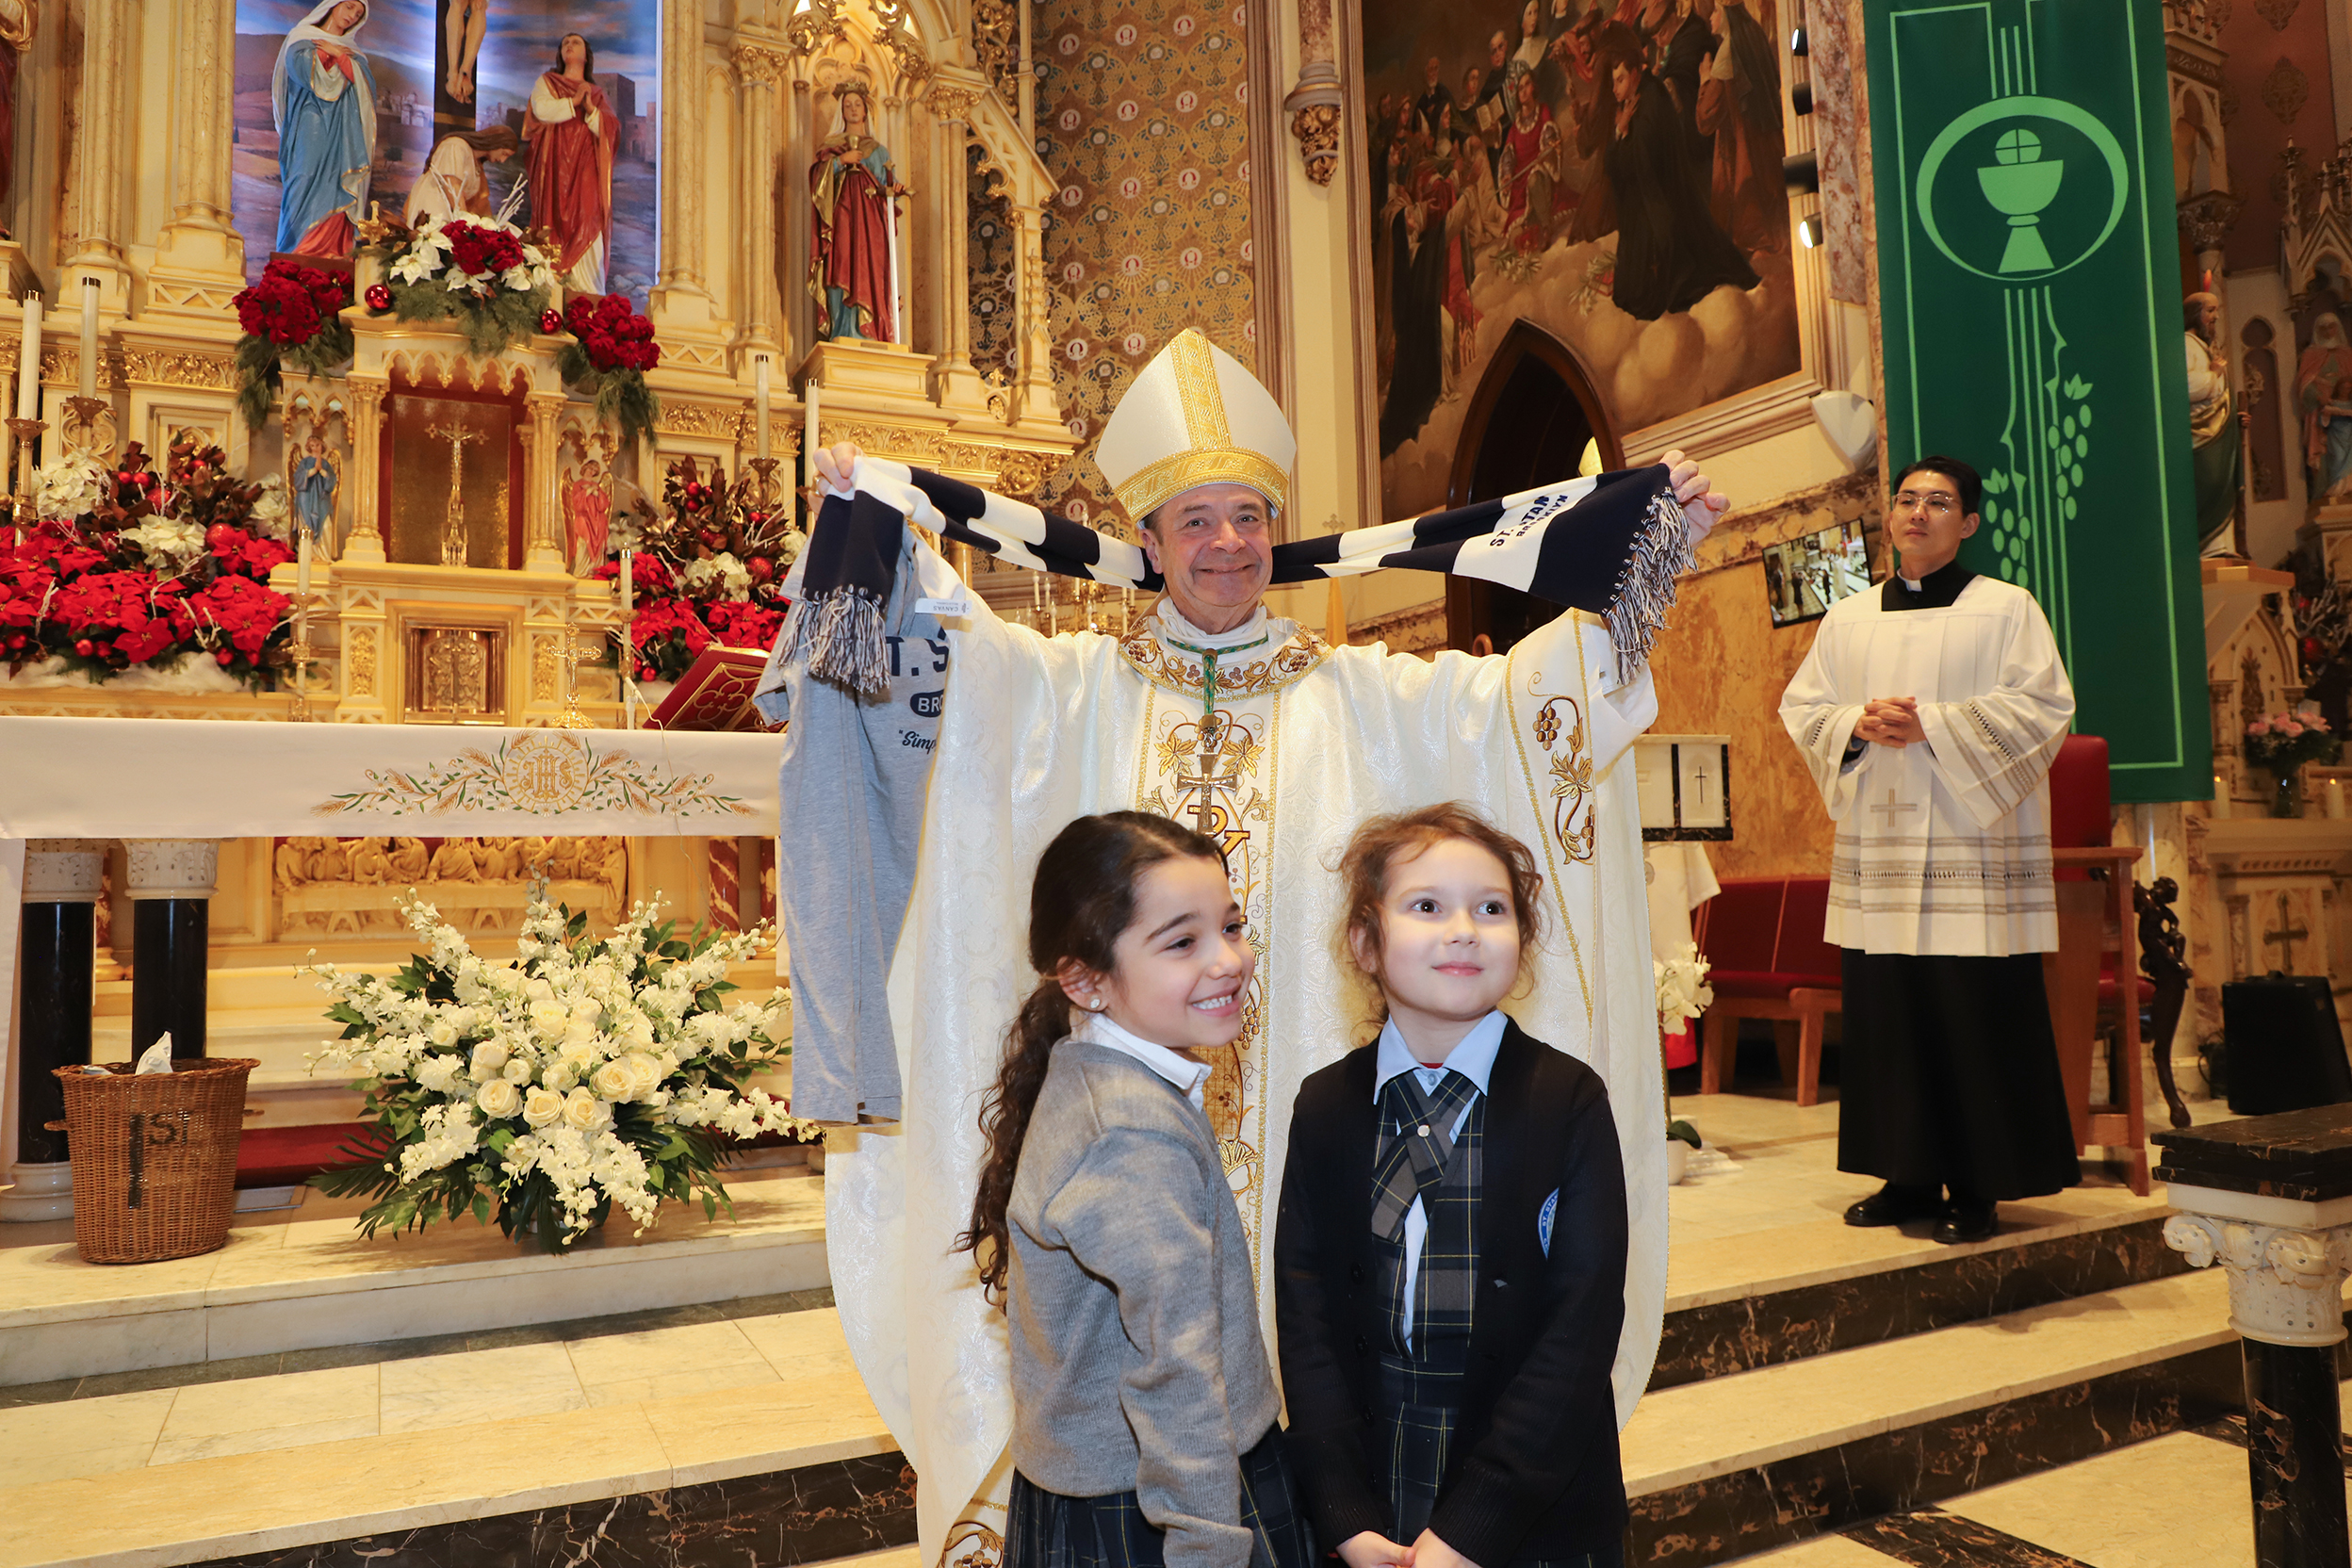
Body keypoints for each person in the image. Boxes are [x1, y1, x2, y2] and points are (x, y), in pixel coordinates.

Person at [753, 326, 1724, 1566]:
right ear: (1148, 539)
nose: (1227, 543)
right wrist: (876, 531)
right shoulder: (1070, 689)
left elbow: (1520, 711)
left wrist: (1649, 547)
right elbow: (954, 671)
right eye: (1196, 520)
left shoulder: (1364, 693)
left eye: (1250, 516)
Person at [1277, 805, 1629, 1568]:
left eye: (1492, 909)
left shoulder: (1566, 1101)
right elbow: (1304, 1317)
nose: (1464, 930)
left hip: (1529, 1506)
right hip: (1374, 1497)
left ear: (1523, 939)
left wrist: (1471, 1531)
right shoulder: (1327, 1106)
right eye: (1428, 906)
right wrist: (1341, 1512)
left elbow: (1580, 1331)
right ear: (1365, 942)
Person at [966, 811, 1316, 1568]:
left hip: (1121, 1486)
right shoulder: (1130, 1133)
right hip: (1161, 1505)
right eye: (1182, 942)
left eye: (1231, 926)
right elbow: (1177, 1363)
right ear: (1085, 980)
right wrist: (1208, 1546)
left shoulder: (1096, 1075)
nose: (1228, 960)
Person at [1778, 455, 2080, 1245]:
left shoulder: (2006, 609)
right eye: (1907, 499)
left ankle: (1979, 1187)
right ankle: (1904, 1176)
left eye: (1939, 502)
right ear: (1890, 516)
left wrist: (1933, 724)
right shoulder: (1848, 618)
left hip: (1969, 849)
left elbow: (2045, 706)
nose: (1918, 512)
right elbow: (1804, 706)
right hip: (1880, 847)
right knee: (1890, 1016)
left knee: (1972, 1015)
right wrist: (1852, 725)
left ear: (1969, 523)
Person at [1596, 30, 1756, 320]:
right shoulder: (1632, 105)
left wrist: (1623, 136)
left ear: (1635, 74)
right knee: (1628, 292)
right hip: (1645, 206)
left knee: (1646, 292)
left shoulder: (1651, 100)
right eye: (1613, 82)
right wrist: (1620, 132)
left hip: (1662, 206)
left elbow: (1637, 164)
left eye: (1620, 80)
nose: (1615, 89)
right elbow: (1616, 166)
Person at [271, 0, 376, 258]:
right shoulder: (302, 37)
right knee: (304, 176)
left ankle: (333, 252)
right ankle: (296, 250)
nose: (352, 16)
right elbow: (297, 69)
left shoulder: (352, 53)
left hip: (344, 133)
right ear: (333, 4)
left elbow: (367, 90)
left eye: (358, 14)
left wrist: (339, 55)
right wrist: (324, 54)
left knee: (339, 182)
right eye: (349, 7)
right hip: (310, 122)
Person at [525, 33, 618, 293]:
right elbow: (541, 109)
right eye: (565, 43)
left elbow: (611, 132)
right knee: (551, 221)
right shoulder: (548, 82)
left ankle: (588, 292)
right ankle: (551, 289)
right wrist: (572, 102)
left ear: (586, 56)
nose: (569, 45)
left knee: (589, 217)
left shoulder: (596, 94)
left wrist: (590, 109)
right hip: (554, 169)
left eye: (575, 42)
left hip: (585, 171)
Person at [809, 82, 900, 343]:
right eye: (847, 105)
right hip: (843, 219)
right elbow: (818, 184)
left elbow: (887, 185)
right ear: (842, 111)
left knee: (869, 267)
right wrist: (840, 161)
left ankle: (869, 329)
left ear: (865, 111)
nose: (853, 109)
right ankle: (843, 328)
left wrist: (893, 190)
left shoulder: (878, 150)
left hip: (871, 224)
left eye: (857, 104)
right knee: (843, 262)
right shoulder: (831, 147)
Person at [2184, 292, 2246, 554]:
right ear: (2194, 314)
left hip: (2220, 429)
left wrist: (2236, 416)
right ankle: (2207, 546)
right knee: (2210, 484)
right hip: (2202, 434)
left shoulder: (2205, 347)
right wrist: (2213, 374)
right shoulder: (2185, 344)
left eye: (2216, 310)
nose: (2216, 317)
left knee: (2224, 487)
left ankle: (2222, 546)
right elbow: (2185, 386)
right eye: (2210, 311)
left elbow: (2221, 396)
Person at [406, 125, 519, 226]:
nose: (503, 160)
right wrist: (464, 223)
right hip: (434, 206)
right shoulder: (456, 145)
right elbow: (452, 186)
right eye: (504, 153)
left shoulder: (476, 163)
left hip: (450, 211)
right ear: (495, 142)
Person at [2295, 312, 2352, 505]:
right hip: (2322, 413)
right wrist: (2319, 396)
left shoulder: (2347, 354)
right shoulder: (2311, 355)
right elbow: (2304, 383)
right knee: (2328, 452)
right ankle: (2328, 489)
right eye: (2324, 328)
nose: (2328, 332)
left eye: (2332, 327)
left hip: (2347, 413)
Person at [291, 434, 340, 559]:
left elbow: (332, 482)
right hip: (306, 499)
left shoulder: (326, 464)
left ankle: (324, 556)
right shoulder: (304, 462)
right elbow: (297, 480)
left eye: (317, 445)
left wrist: (322, 471)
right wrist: (312, 471)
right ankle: (309, 557)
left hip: (321, 499)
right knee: (306, 526)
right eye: (312, 446)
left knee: (326, 526)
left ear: (322, 446)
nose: (315, 448)